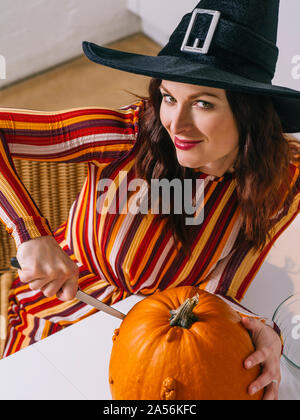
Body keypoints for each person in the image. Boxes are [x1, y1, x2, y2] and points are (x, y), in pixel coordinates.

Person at [0, 0, 299, 400]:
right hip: (52, 317)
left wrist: (262, 331)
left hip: (168, 344)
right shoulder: (127, 135)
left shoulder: (285, 178)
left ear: (251, 113)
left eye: (204, 102)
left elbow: (220, 292)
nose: (175, 122)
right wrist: (30, 233)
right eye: (169, 97)